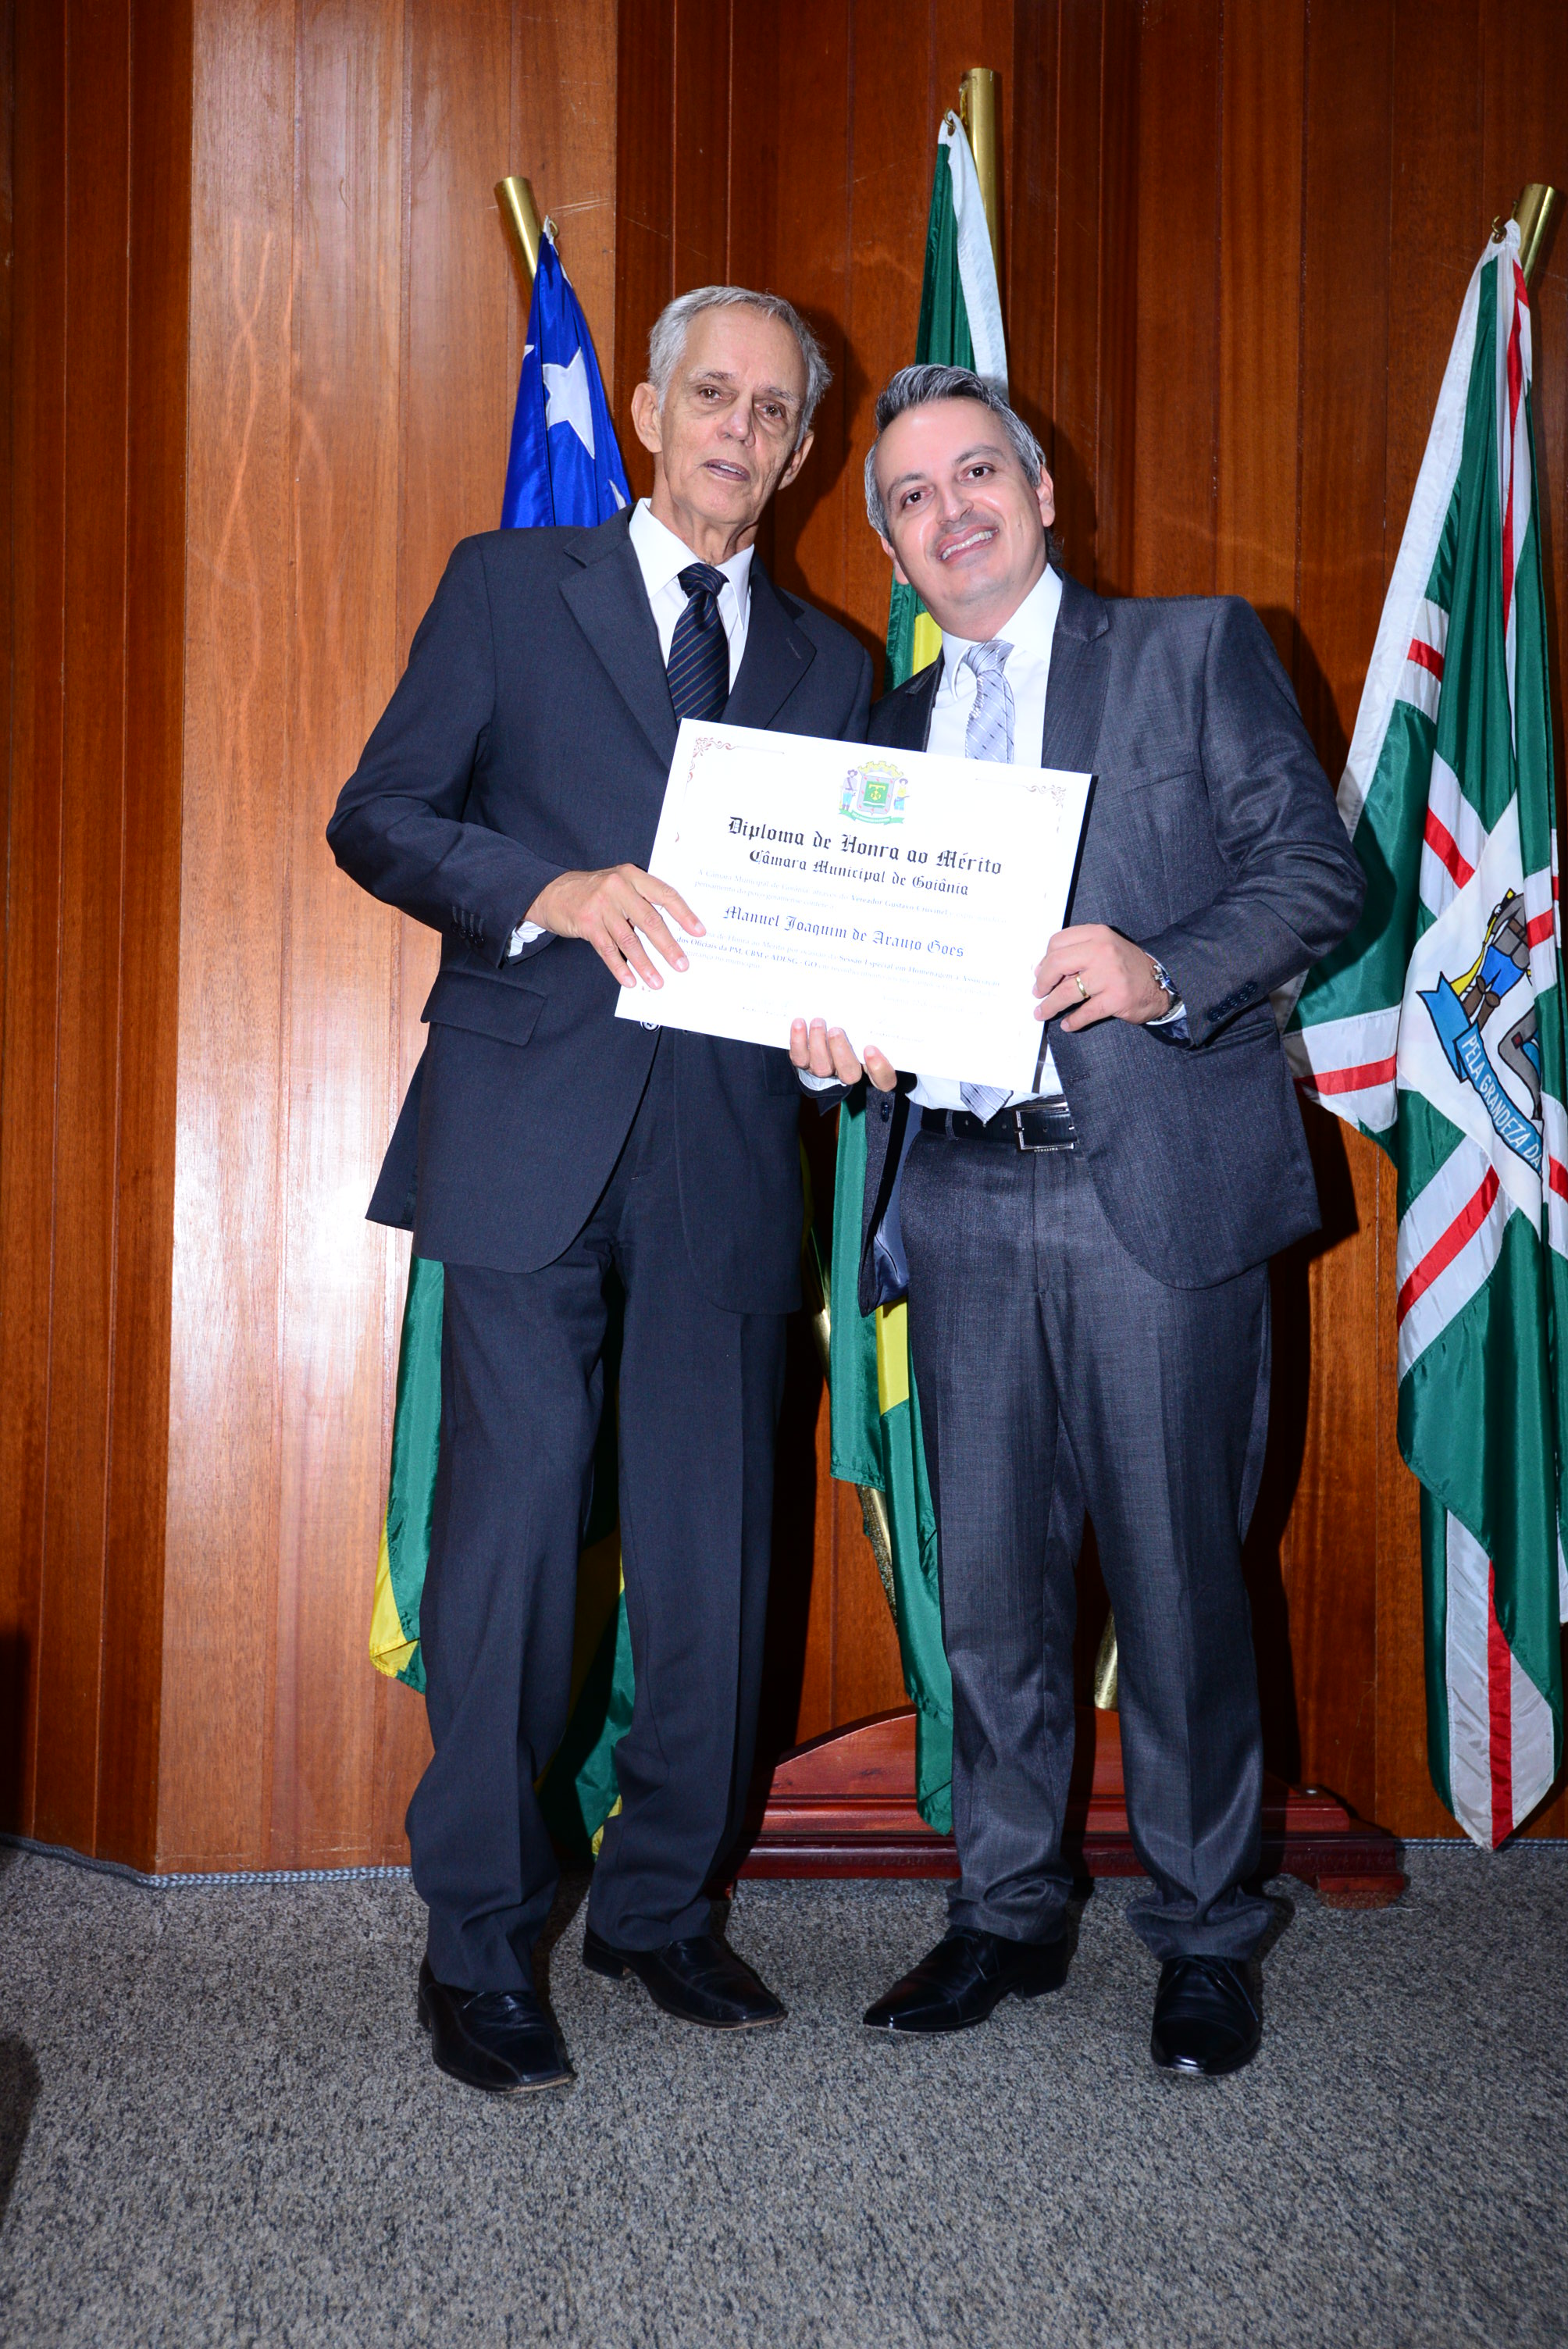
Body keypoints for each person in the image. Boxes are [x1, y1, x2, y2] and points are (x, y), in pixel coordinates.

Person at [790, 364, 1364, 2077]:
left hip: (1151, 1195)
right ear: (892, 544)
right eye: (910, 496)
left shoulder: (1191, 652)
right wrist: (827, 1037)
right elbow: (844, 963)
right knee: (989, 1591)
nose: (949, 511)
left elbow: (1314, 876)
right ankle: (1007, 1908)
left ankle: (1203, 1930)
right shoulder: (883, 732)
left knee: (1180, 1582)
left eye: (976, 473)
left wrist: (1160, 967)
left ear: (1042, 492)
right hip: (960, 1190)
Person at [329, 288, 872, 2094]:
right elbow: (378, 814)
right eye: (712, 394)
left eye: (773, 411)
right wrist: (547, 893)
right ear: (644, 410)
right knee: (508, 1546)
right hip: (523, 1125)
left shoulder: (829, 667)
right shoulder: (506, 586)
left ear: (801, 451)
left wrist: (840, 1033)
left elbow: (833, 930)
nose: (738, 430)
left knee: (715, 1553)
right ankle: (480, 1941)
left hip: (727, 1145)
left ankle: (657, 1907)